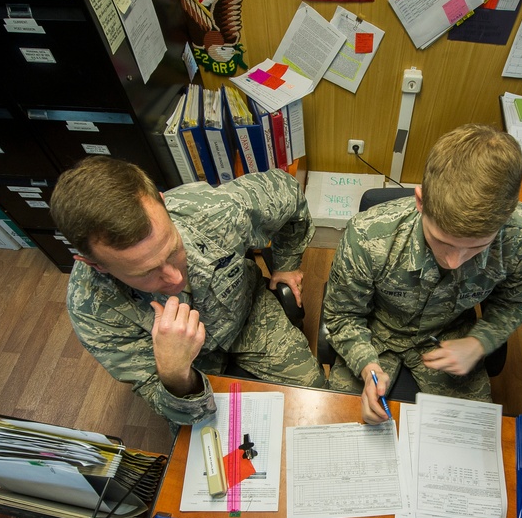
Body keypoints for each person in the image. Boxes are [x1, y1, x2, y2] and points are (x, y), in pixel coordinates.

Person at [50, 156, 325, 432]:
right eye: (146, 272)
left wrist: (286, 265)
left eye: (173, 250)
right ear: (96, 265)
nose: (175, 278)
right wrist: (173, 373)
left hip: (249, 316)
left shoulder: (214, 211)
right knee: (202, 448)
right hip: (191, 365)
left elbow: (288, 191)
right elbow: (160, 395)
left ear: (162, 203)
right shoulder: (93, 308)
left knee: (316, 400)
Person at [322, 124, 522, 424]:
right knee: (343, 431)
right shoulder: (367, 236)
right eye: (442, 241)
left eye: (476, 248)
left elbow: (516, 303)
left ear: (505, 220)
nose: (454, 262)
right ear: (420, 201)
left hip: (451, 336)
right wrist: (367, 367)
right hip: (374, 331)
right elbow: (342, 315)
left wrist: (480, 341)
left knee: (469, 449)